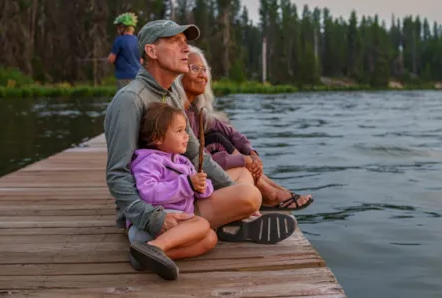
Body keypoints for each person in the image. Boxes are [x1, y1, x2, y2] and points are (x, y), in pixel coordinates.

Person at [104, 19, 298, 277]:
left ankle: (168, 245)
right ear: (151, 51)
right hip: (154, 207)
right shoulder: (130, 101)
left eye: (186, 43)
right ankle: (146, 242)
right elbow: (117, 173)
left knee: (233, 198)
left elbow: (195, 153)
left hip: (180, 191)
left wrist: (229, 191)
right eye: (175, 42)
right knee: (250, 196)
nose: (186, 49)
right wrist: (151, 218)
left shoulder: (171, 91)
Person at [175, 45, 314, 211]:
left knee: (219, 137)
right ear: (179, 74)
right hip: (188, 181)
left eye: (204, 69)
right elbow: (195, 161)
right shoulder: (177, 115)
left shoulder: (195, 111)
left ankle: (274, 191)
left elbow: (232, 133)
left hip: (204, 171)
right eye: (195, 68)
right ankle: (269, 195)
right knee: (240, 166)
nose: (202, 75)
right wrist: (244, 160)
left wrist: (251, 153)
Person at [128, 102, 216, 280]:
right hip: (152, 223)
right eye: (179, 131)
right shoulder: (150, 161)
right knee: (202, 224)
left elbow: (202, 190)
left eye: (186, 130)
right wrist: (188, 184)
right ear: (157, 138)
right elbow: (148, 191)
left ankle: (146, 255)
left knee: (210, 238)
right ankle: (154, 247)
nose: (186, 136)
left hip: (174, 226)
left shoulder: (183, 162)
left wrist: (201, 186)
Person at [107, 12, 142, 89]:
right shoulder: (138, 40)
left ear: (123, 27)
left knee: (124, 99)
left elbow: (111, 59)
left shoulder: (119, 40)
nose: (117, 30)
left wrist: (109, 59)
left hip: (123, 77)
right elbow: (141, 60)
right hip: (137, 77)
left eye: (119, 27)